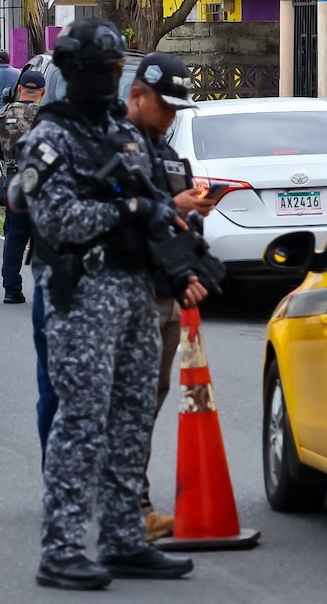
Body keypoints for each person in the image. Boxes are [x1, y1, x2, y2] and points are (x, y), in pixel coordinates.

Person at [18, 17, 207, 591]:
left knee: (129, 419)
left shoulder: (122, 133)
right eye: (97, 69)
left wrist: (179, 261)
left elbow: (151, 201)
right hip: (83, 293)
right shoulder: (49, 137)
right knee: (81, 421)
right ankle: (63, 548)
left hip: (133, 291)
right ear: (74, 72)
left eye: (111, 68)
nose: (105, 78)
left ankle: (124, 539)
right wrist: (129, 213)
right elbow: (57, 219)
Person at [125, 52, 217, 541]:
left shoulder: (161, 149)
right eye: (167, 106)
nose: (173, 117)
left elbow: (174, 224)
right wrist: (169, 205)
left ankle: (133, 503)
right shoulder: (115, 146)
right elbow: (122, 218)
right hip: (127, 293)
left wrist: (193, 212)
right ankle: (125, 507)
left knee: (150, 398)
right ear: (138, 96)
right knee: (129, 400)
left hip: (165, 289)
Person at [0, 69, 46, 305]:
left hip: (13, 180)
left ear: (20, 89)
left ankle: (11, 289)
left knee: (14, 236)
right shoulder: (46, 115)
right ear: (43, 92)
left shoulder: (3, 113)